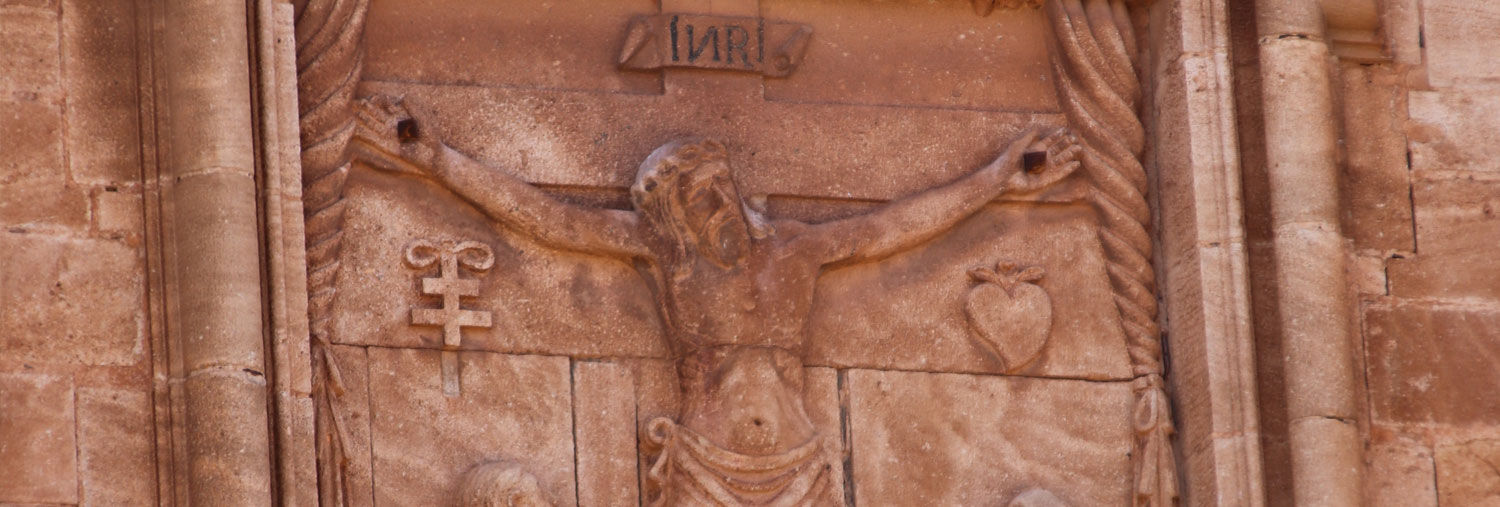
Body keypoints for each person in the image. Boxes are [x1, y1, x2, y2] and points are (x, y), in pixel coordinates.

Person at [356, 96, 1081, 505]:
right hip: (702, 464)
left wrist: (997, 180)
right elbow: (552, 221)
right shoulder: (668, 257)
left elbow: (892, 227)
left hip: (801, 464)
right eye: (695, 202)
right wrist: (438, 160)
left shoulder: (796, 250)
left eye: (717, 190)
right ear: (675, 216)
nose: (715, 209)